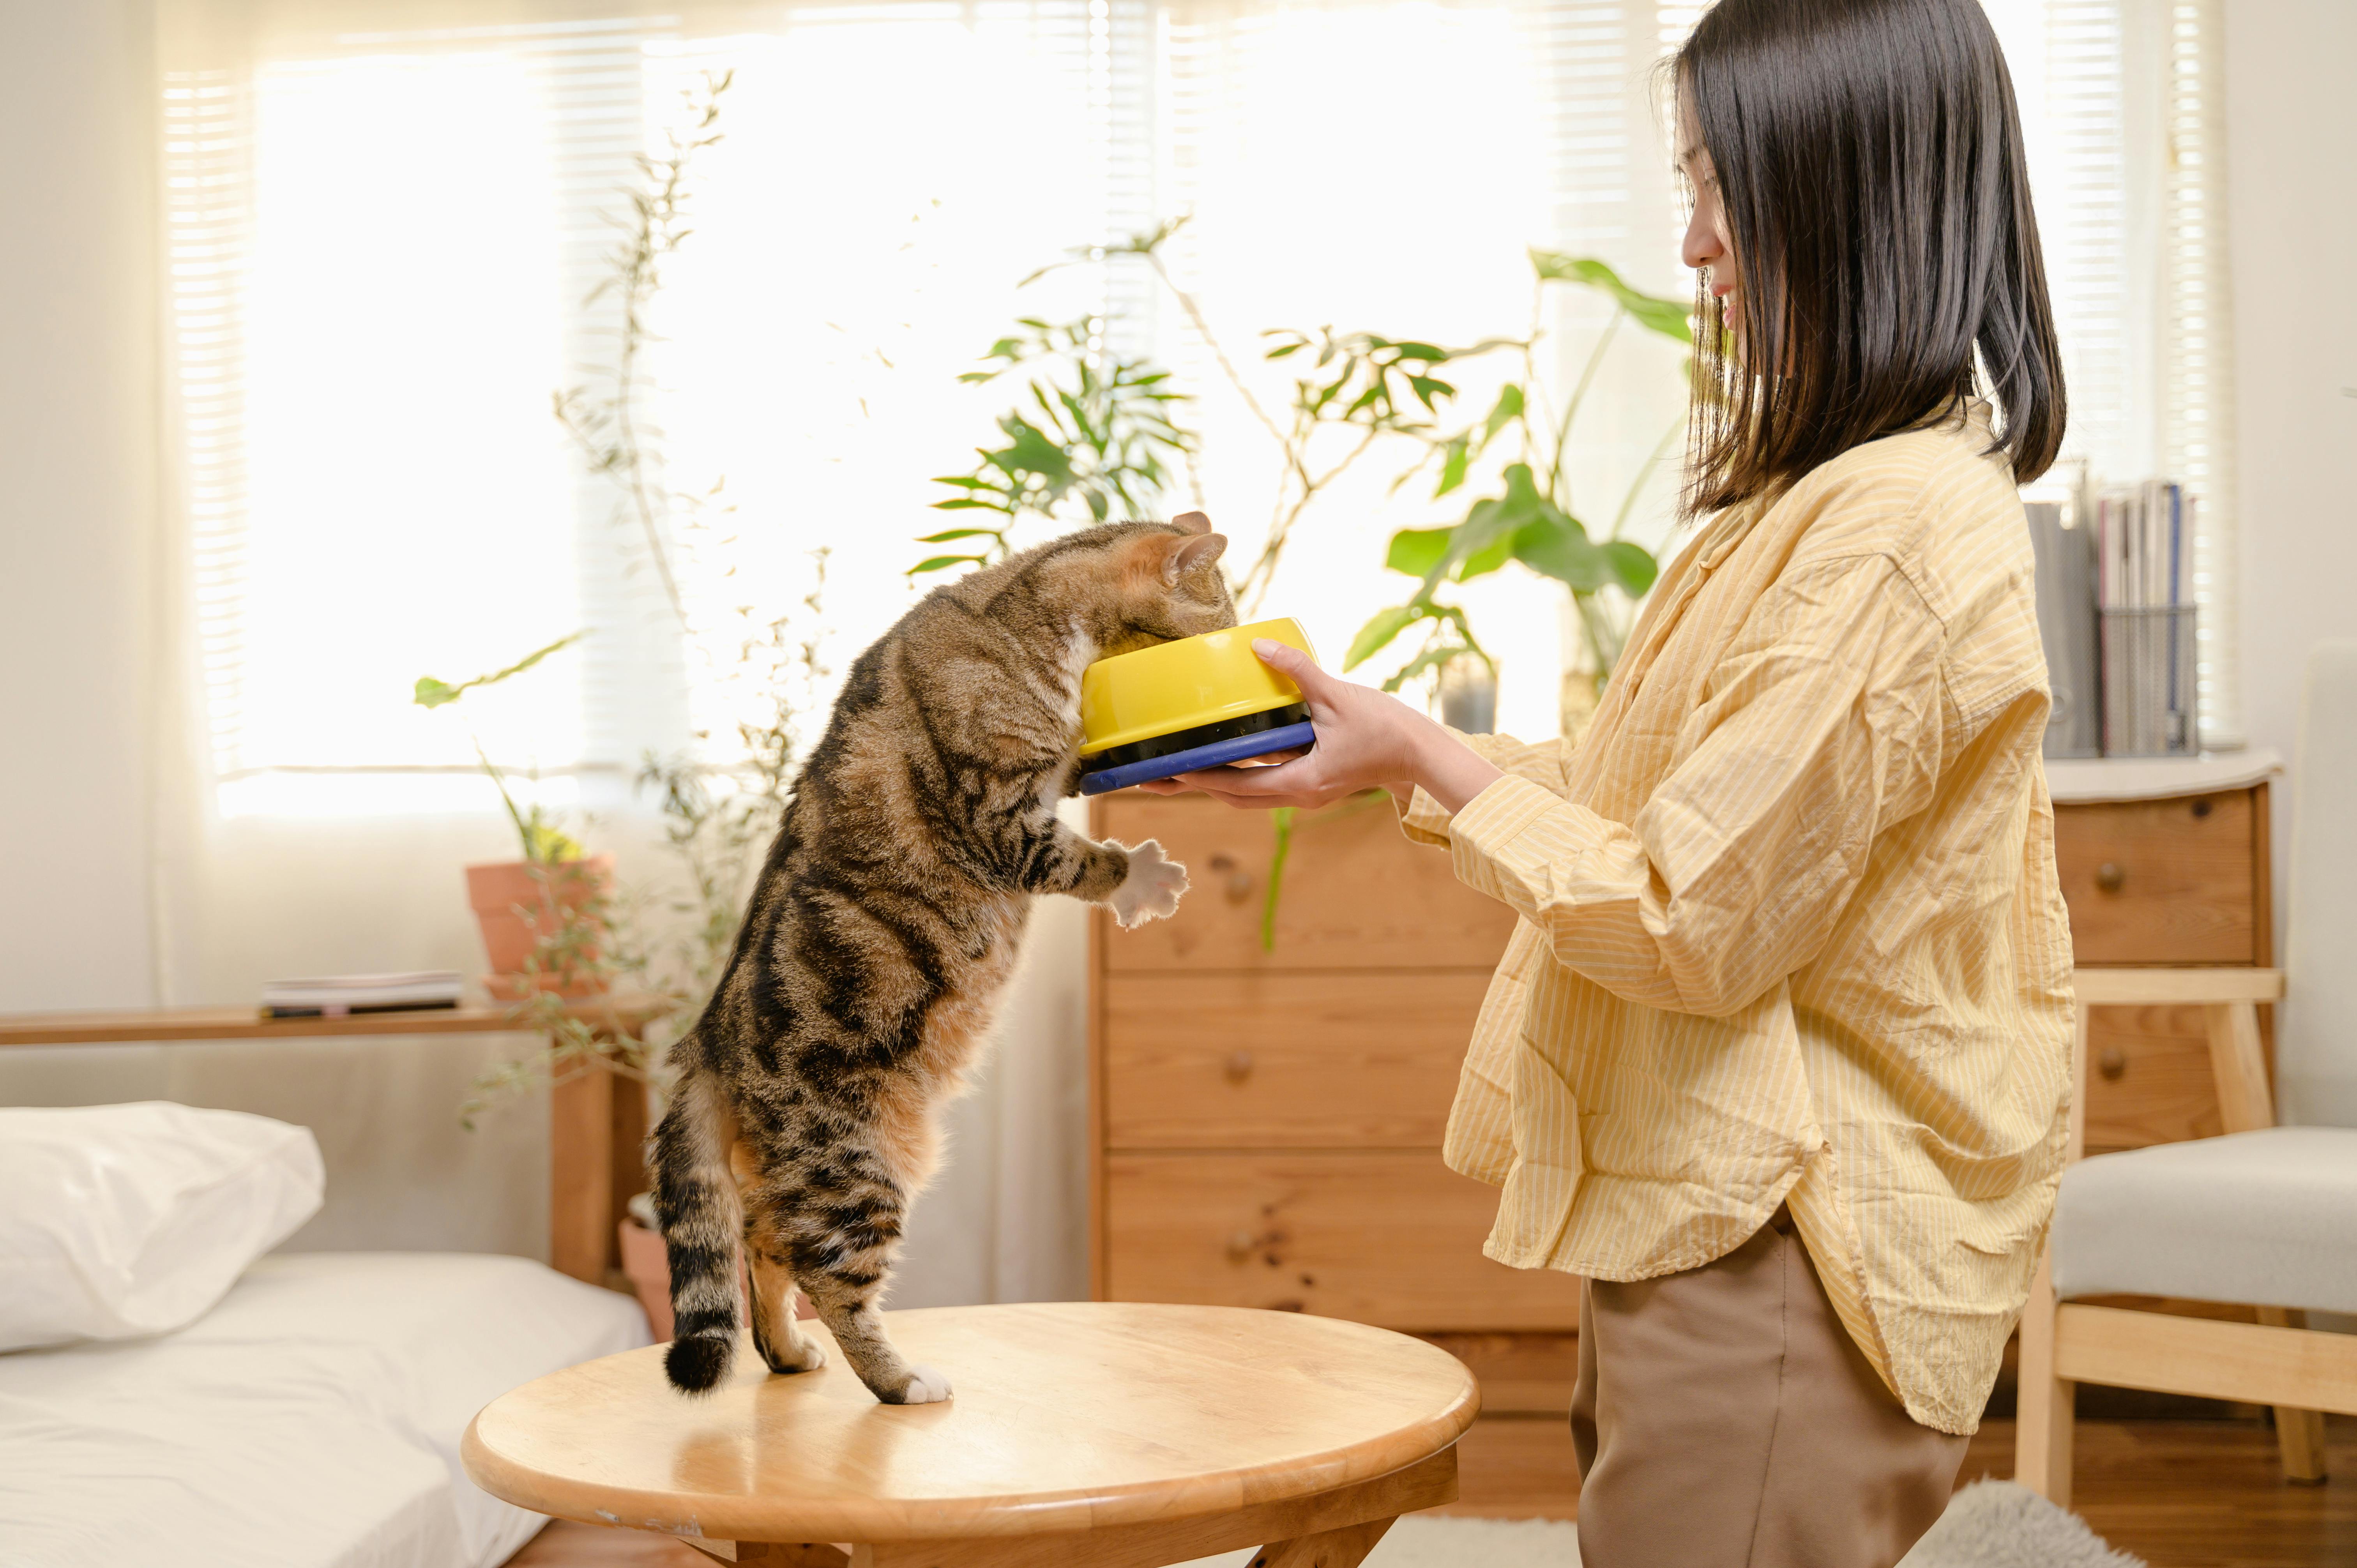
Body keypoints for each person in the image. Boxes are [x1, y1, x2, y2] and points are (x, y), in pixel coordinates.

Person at [1143, 1, 2075, 1563]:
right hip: (1722, 1197)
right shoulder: (1822, 499)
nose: (1697, 245)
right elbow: (1654, 798)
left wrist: (1426, 754)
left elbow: (1691, 912)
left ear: (1842, 196)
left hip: (1794, 1230)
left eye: (1723, 189)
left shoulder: (1895, 529)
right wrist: (1385, 752)